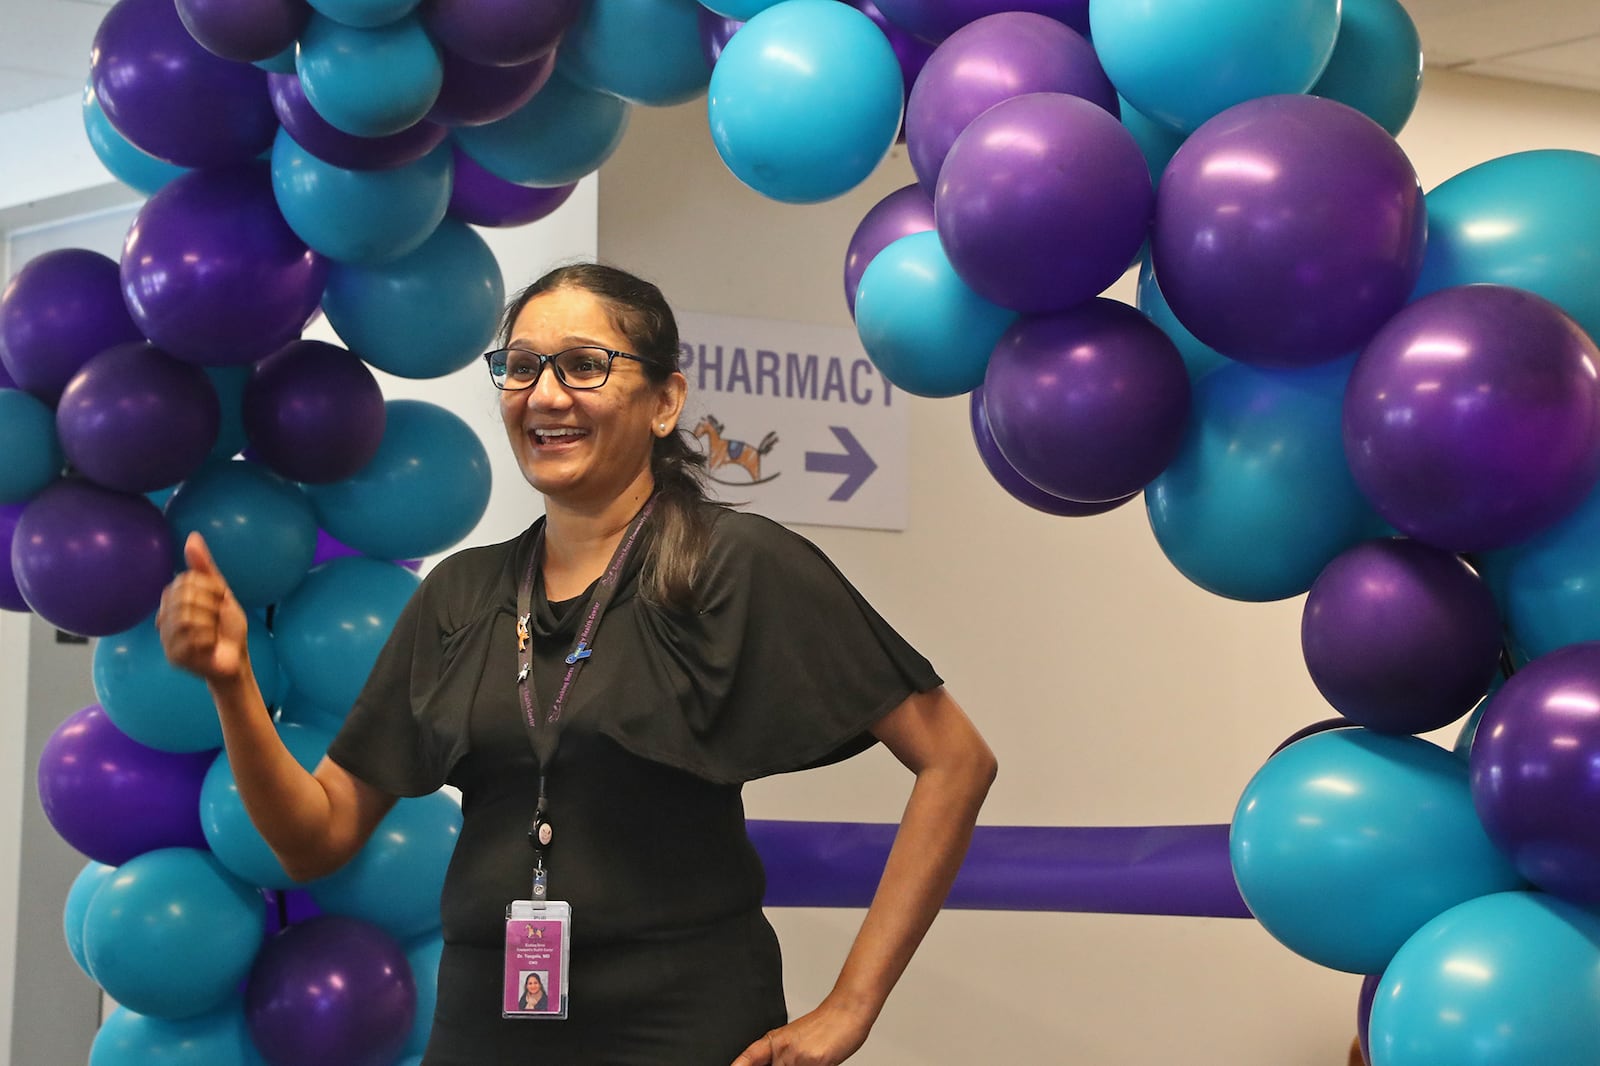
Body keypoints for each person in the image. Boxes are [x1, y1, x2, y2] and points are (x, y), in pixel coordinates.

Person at [157, 262, 997, 1065]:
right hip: (485, 1028)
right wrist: (234, 685)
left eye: (584, 366)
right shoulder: (462, 592)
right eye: (521, 369)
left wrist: (851, 1006)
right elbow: (314, 838)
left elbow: (956, 759)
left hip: (685, 1026)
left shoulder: (733, 565)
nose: (546, 395)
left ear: (666, 401)